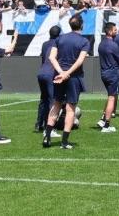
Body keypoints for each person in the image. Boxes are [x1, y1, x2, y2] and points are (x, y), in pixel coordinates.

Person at [44, 13, 89, 149]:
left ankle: (47, 137)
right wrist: (66, 73)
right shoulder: (84, 41)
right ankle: (64, 141)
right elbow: (80, 60)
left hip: (60, 76)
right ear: (81, 25)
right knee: (70, 109)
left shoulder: (60, 39)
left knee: (56, 105)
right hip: (73, 77)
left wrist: (61, 72)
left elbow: (52, 58)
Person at [96, 22, 119, 132]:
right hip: (112, 74)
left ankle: (103, 119)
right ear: (109, 31)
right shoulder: (113, 45)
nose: (116, 31)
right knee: (112, 98)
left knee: (110, 97)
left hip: (104, 73)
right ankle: (106, 126)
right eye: (114, 30)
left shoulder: (101, 44)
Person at [35, 26, 62, 134]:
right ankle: (50, 128)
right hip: (50, 73)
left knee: (43, 99)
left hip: (41, 72)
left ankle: (39, 123)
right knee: (52, 100)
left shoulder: (45, 44)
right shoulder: (58, 44)